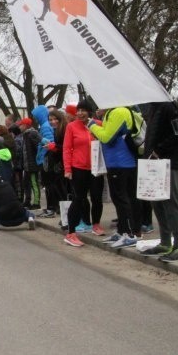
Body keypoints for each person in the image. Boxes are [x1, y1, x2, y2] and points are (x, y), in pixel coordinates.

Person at [87, 105, 142, 247]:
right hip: (117, 162)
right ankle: (122, 230)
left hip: (121, 162)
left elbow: (107, 137)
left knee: (123, 198)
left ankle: (130, 233)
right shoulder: (113, 112)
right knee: (118, 198)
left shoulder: (118, 111)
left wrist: (92, 125)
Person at [62, 99, 105, 246]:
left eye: (83, 110)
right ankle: (71, 232)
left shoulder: (98, 125)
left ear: (90, 112)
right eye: (78, 110)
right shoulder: (71, 127)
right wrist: (67, 169)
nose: (80, 113)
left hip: (95, 168)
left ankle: (96, 224)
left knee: (97, 197)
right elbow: (67, 148)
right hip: (78, 167)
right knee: (78, 199)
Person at [141, 102, 178, 260]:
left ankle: (177, 244)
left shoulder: (170, 107)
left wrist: (159, 149)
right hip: (153, 162)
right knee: (156, 201)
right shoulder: (152, 108)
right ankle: (165, 242)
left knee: (171, 203)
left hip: (170, 162)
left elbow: (177, 132)